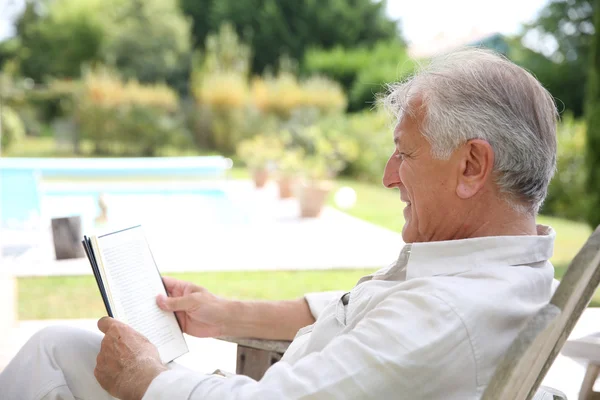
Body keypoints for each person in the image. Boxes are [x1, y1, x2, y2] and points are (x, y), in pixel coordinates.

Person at [0, 47, 559, 400]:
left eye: (405, 155)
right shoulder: (492, 270)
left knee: (52, 353)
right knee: (55, 348)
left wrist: (146, 377)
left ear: (471, 166)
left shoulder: (445, 315)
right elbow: (347, 308)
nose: (389, 177)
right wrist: (222, 314)